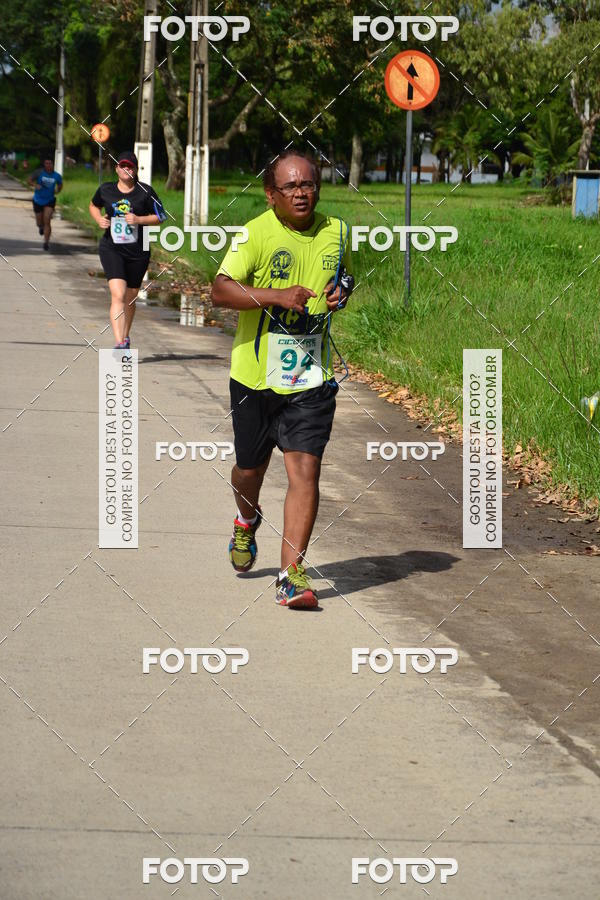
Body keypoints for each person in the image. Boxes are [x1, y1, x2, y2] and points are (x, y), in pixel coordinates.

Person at [211, 148, 354, 609]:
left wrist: (341, 291)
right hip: (254, 377)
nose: (302, 193)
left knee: (305, 469)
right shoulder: (255, 233)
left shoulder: (336, 230)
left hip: (310, 374)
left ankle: (291, 575)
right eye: (291, 186)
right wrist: (276, 295)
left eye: (309, 184)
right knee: (250, 469)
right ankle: (245, 517)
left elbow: (342, 275)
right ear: (271, 195)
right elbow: (220, 290)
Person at [88, 151, 166, 350]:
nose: (126, 169)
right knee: (118, 294)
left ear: (135, 169)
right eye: (123, 166)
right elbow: (93, 205)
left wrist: (139, 220)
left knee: (130, 297)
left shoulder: (145, 192)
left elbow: (161, 216)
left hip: (138, 250)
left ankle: (125, 336)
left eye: (130, 166)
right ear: (116, 169)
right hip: (111, 248)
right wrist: (99, 219)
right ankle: (120, 341)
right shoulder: (106, 189)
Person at [28, 155, 63, 251]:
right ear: (44, 164)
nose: (48, 165)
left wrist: (58, 190)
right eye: (46, 163)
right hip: (38, 200)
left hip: (50, 200)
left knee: (47, 220)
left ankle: (46, 242)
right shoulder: (39, 173)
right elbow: (29, 180)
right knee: (39, 222)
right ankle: (40, 227)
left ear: (53, 164)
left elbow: (60, 184)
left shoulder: (57, 175)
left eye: (50, 163)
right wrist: (35, 185)